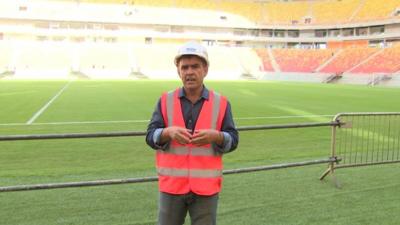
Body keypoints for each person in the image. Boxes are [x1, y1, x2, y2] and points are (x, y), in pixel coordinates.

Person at [146, 41, 239, 225]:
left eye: (195, 66)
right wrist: (167, 132)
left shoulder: (221, 103)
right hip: (172, 187)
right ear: (178, 71)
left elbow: (233, 140)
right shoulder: (165, 100)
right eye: (184, 67)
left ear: (205, 69)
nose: (189, 72)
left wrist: (217, 136)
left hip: (206, 189)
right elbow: (150, 136)